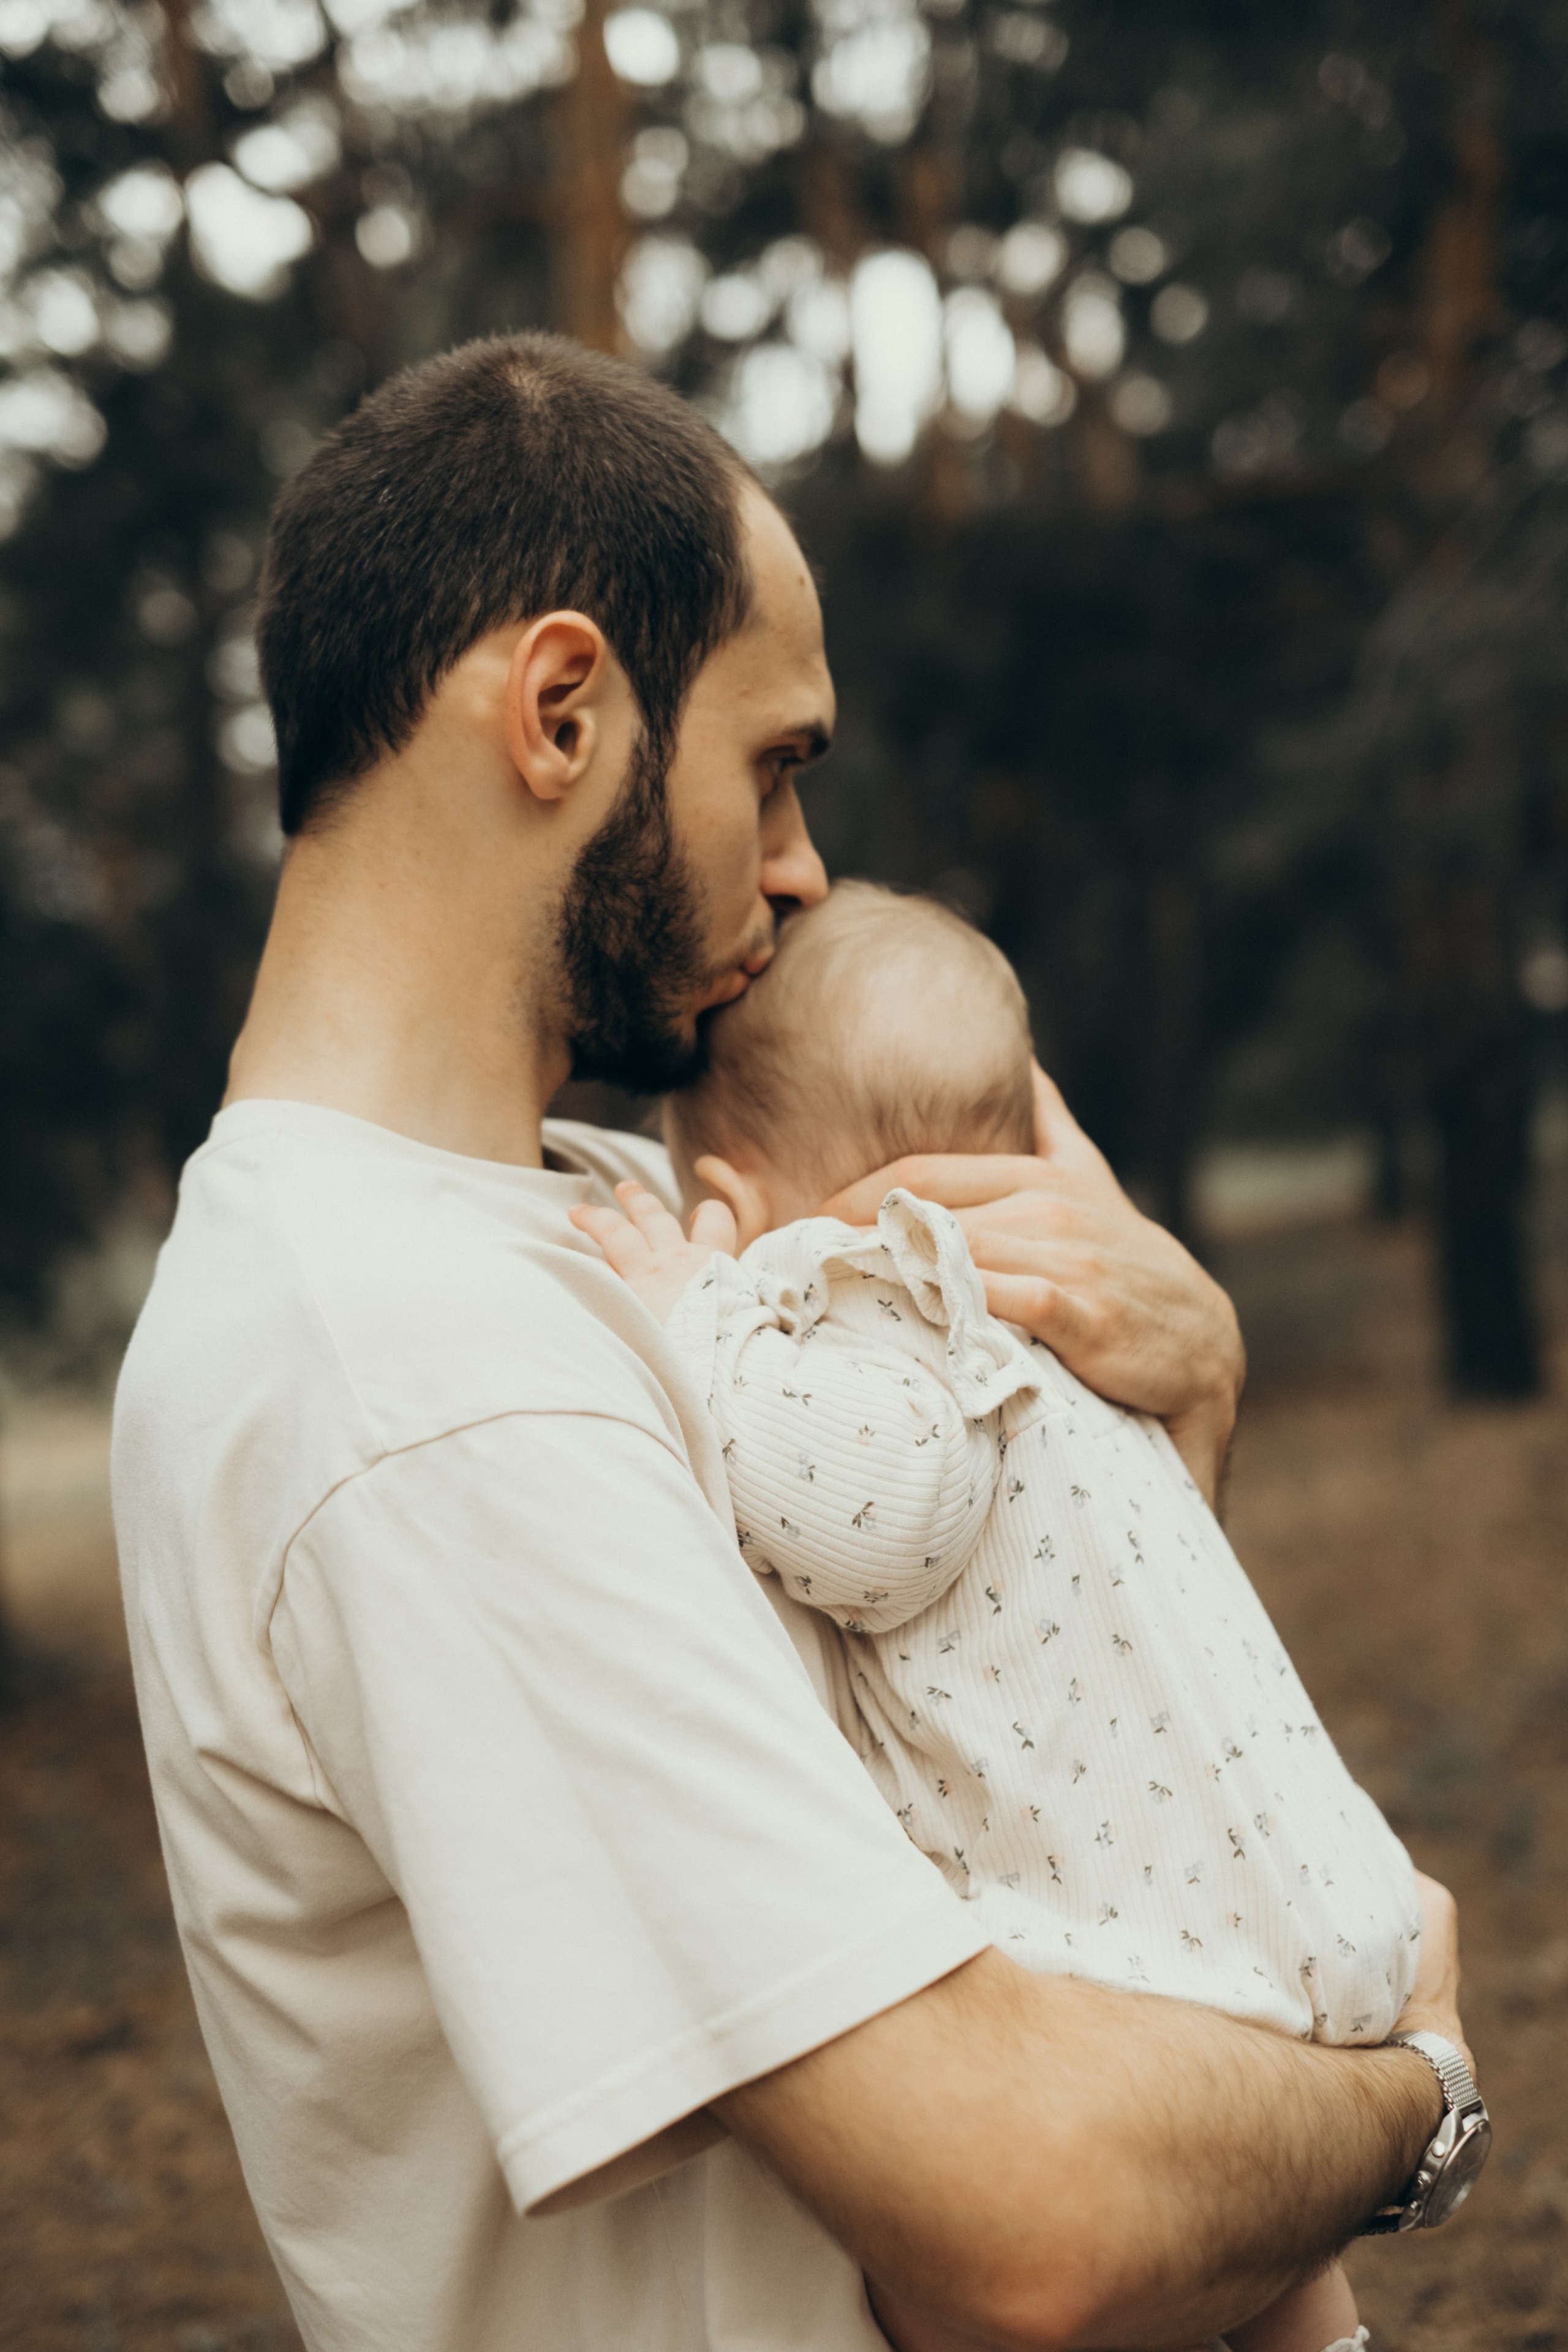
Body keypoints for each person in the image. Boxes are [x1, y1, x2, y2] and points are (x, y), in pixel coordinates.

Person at [111, 333, 1468, 2352]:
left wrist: (1163, 1418)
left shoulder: (613, 1221)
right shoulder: (418, 1374)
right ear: (562, 708)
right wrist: (1417, 2090)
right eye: (776, 764)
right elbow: (1037, 2229)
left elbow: (1023, 1768)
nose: (805, 867)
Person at [574, 880, 1424, 2352]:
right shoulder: (1057, 1304)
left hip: (1121, 1950)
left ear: (737, 1182)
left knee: (978, 2281)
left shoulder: (854, 1292)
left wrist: (696, 1311)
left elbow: (884, 1517)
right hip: (1278, 1904)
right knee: (1281, 2273)